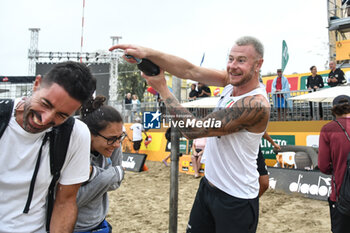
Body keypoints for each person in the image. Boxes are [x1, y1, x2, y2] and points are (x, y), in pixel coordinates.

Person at [111, 36, 270, 233]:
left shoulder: (256, 104)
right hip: (208, 187)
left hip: (236, 199)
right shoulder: (231, 83)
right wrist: (147, 53)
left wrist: (163, 89)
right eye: (230, 59)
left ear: (258, 64)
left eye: (241, 60)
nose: (233, 66)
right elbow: (190, 71)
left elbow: (193, 130)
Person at [0, 61, 96, 233]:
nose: (44, 120)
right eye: (45, 104)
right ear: (37, 85)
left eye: (62, 115)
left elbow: (65, 202)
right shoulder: (3, 118)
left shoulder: (75, 134)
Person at [74, 95, 125, 233]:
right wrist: (109, 175)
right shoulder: (72, 148)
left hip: (100, 223)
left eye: (120, 137)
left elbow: (116, 183)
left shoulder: (114, 143)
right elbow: (72, 200)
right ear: (90, 134)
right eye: (111, 139)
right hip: (74, 226)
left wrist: (93, 174)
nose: (116, 144)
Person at [318, 94, 350, 233]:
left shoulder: (328, 129)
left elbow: (323, 166)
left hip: (341, 193)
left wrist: (338, 168)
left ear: (334, 110)